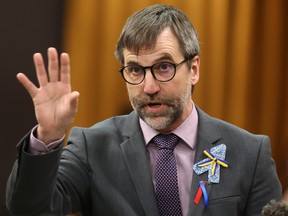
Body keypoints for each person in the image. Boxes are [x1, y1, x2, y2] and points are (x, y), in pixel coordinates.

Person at [6, 4, 282, 216]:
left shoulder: (250, 153)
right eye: (136, 70)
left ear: (193, 69)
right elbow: (30, 209)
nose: (149, 87)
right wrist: (47, 135)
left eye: (164, 67)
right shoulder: (93, 147)